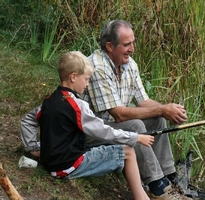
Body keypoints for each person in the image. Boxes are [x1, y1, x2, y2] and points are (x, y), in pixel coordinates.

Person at [20, 51, 153, 200]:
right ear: (73, 77)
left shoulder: (48, 101)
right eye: (86, 79)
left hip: (52, 164)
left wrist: (32, 147)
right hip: (69, 166)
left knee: (113, 149)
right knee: (128, 152)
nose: (88, 84)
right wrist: (135, 137)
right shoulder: (77, 105)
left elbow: (27, 120)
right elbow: (102, 131)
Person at [85, 20, 191, 200]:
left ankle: (167, 177)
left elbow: (144, 101)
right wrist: (163, 109)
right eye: (126, 45)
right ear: (110, 46)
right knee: (135, 125)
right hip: (90, 132)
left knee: (158, 120)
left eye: (133, 43)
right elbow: (118, 114)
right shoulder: (98, 67)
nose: (132, 49)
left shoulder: (129, 64)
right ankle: (157, 187)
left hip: (112, 126)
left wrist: (169, 110)